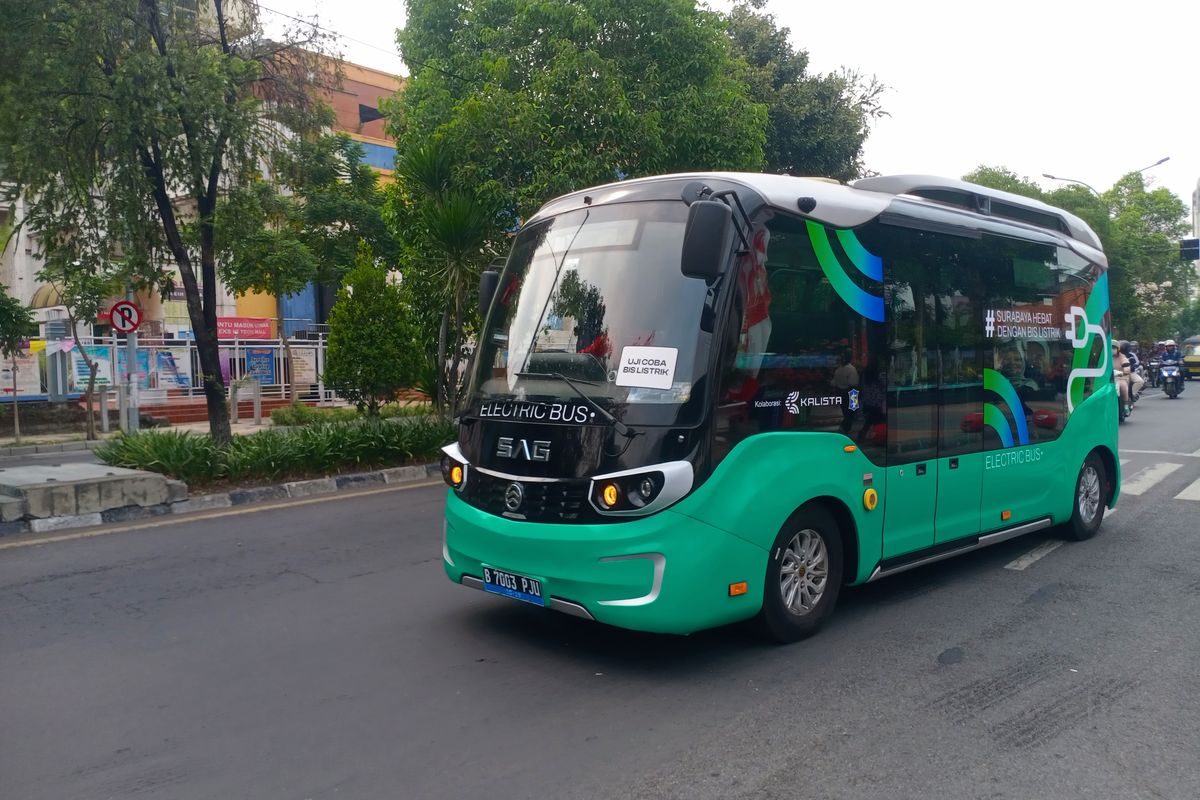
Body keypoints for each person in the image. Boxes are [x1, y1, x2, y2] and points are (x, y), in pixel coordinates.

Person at [831, 352, 859, 433]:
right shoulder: (851, 369)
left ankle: (846, 427)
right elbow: (853, 383)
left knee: (846, 411)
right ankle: (844, 427)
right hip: (852, 392)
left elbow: (834, 383)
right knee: (852, 411)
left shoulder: (838, 370)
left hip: (841, 392)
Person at [1113, 342, 1132, 416]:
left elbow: (1126, 364)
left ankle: (1126, 406)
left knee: (1123, 387)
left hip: (1120, 377)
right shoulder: (1106, 357)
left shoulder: (1122, 357)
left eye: (1114, 348)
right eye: (1111, 347)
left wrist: (1126, 370)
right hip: (1108, 378)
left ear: (1118, 349)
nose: (1112, 349)